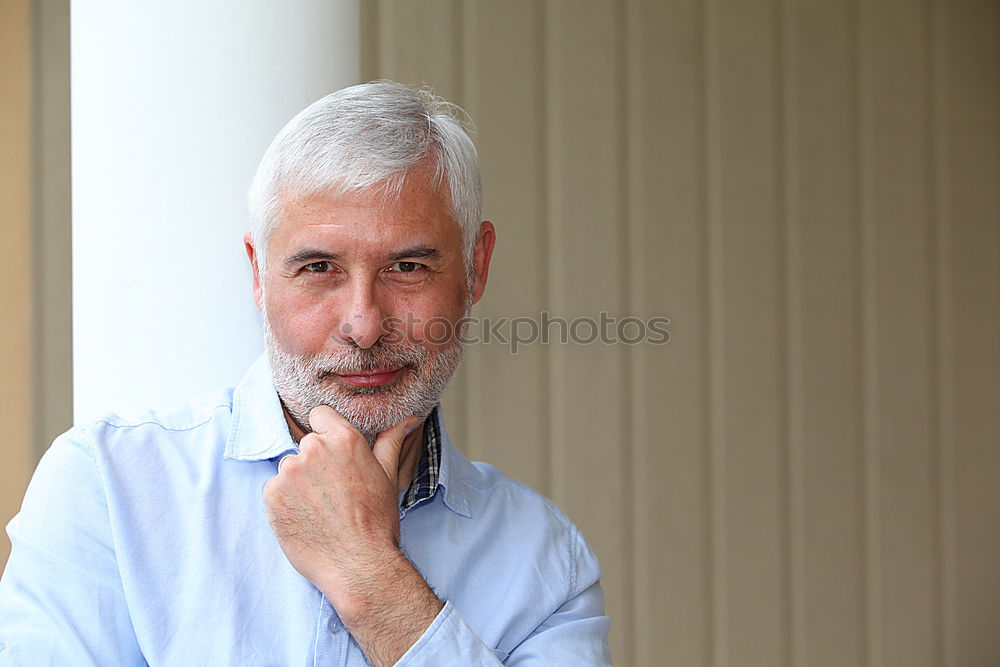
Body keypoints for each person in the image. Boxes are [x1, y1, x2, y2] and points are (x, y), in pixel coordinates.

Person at [0, 81, 611, 665]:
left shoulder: (546, 561)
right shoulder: (107, 488)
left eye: (408, 266)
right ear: (259, 276)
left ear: (476, 268)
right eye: (319, 267)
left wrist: (371, 576)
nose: (364, 325)